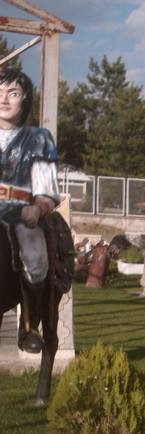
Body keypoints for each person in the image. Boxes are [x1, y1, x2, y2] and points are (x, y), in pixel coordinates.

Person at [0, 68, 60, 353]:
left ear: (25, 99)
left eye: (12, 93)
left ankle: (29, 326)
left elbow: (46, 187)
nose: (4, 100)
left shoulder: (38, 138)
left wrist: (38, 207)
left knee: (35, 257)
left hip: (20, 212)